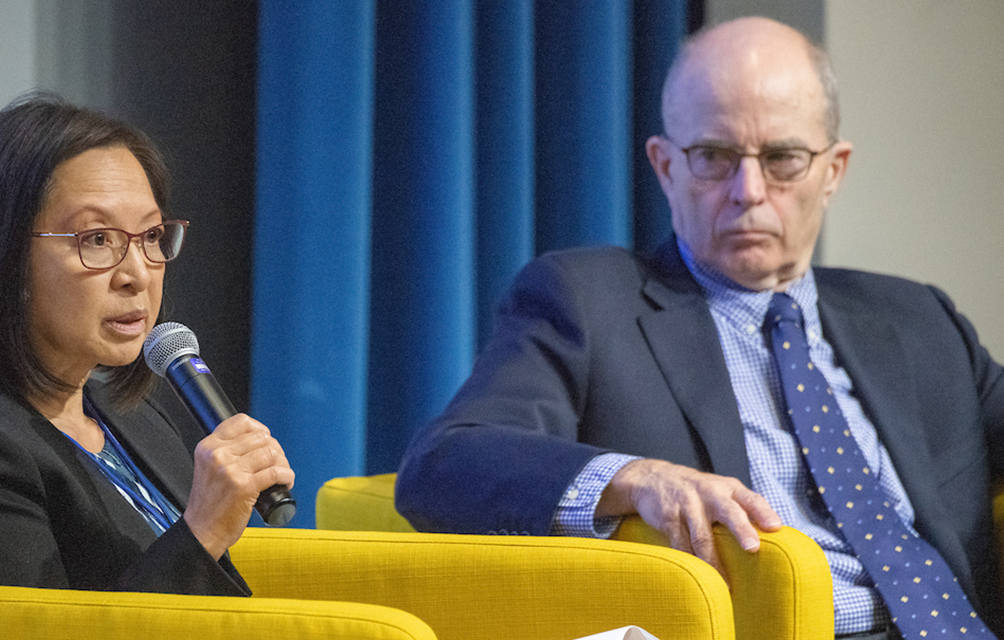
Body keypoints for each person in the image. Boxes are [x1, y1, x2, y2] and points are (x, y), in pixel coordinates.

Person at [395, 16, 1004, 640]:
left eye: (783, 159)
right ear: (665, 166)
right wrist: (635, 479)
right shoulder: (586, 302)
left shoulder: (917, 319)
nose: (749, 191)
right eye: (714, 157)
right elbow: (444, 466)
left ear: (834, 169)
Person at [0, 96, 294, 596]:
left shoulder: (127, 414)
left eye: (152, 235)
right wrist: (203, 530)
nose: (138, 274)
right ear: (3, 256)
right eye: (97, 239)